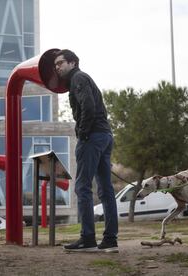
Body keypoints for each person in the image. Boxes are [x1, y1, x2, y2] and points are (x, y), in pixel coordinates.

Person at [54, 49, 118, 253]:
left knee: (82, 187)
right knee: (106, 190)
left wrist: (82, 134)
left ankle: (88, 239)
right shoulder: (82, 78)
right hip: (104, 136)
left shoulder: (78, 78)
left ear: (73, 63)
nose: (58, 67)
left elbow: (88, 106)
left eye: (61, 63)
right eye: (56, 65)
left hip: (92, 137)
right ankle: (110, 240)